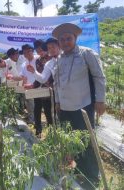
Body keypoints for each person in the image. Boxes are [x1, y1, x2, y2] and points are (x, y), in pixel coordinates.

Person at [52, 23, 106, 188]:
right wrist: (57, 102)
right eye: (62, 39)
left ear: (75, 38)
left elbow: (99, 77)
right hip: (65, 108)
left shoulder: (86, 54)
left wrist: (100, 100)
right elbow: (57, 83)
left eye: (69, 38)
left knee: (86, 142)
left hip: (83, 106)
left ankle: (92, 177)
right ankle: (79, 171)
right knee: (71, 141)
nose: (65, 42)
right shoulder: (59, 59)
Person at [20, 44, 38, 123]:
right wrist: (23, 84)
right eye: (24, 52)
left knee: (39, 106)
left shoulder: (38, 59)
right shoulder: (24, 64)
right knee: (30, 105)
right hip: (28, 87)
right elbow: (23, 76)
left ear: (32, 51)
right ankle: (32, 120)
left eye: (28, 51)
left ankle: (38, 121)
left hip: (38, 86)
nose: (26, 54)